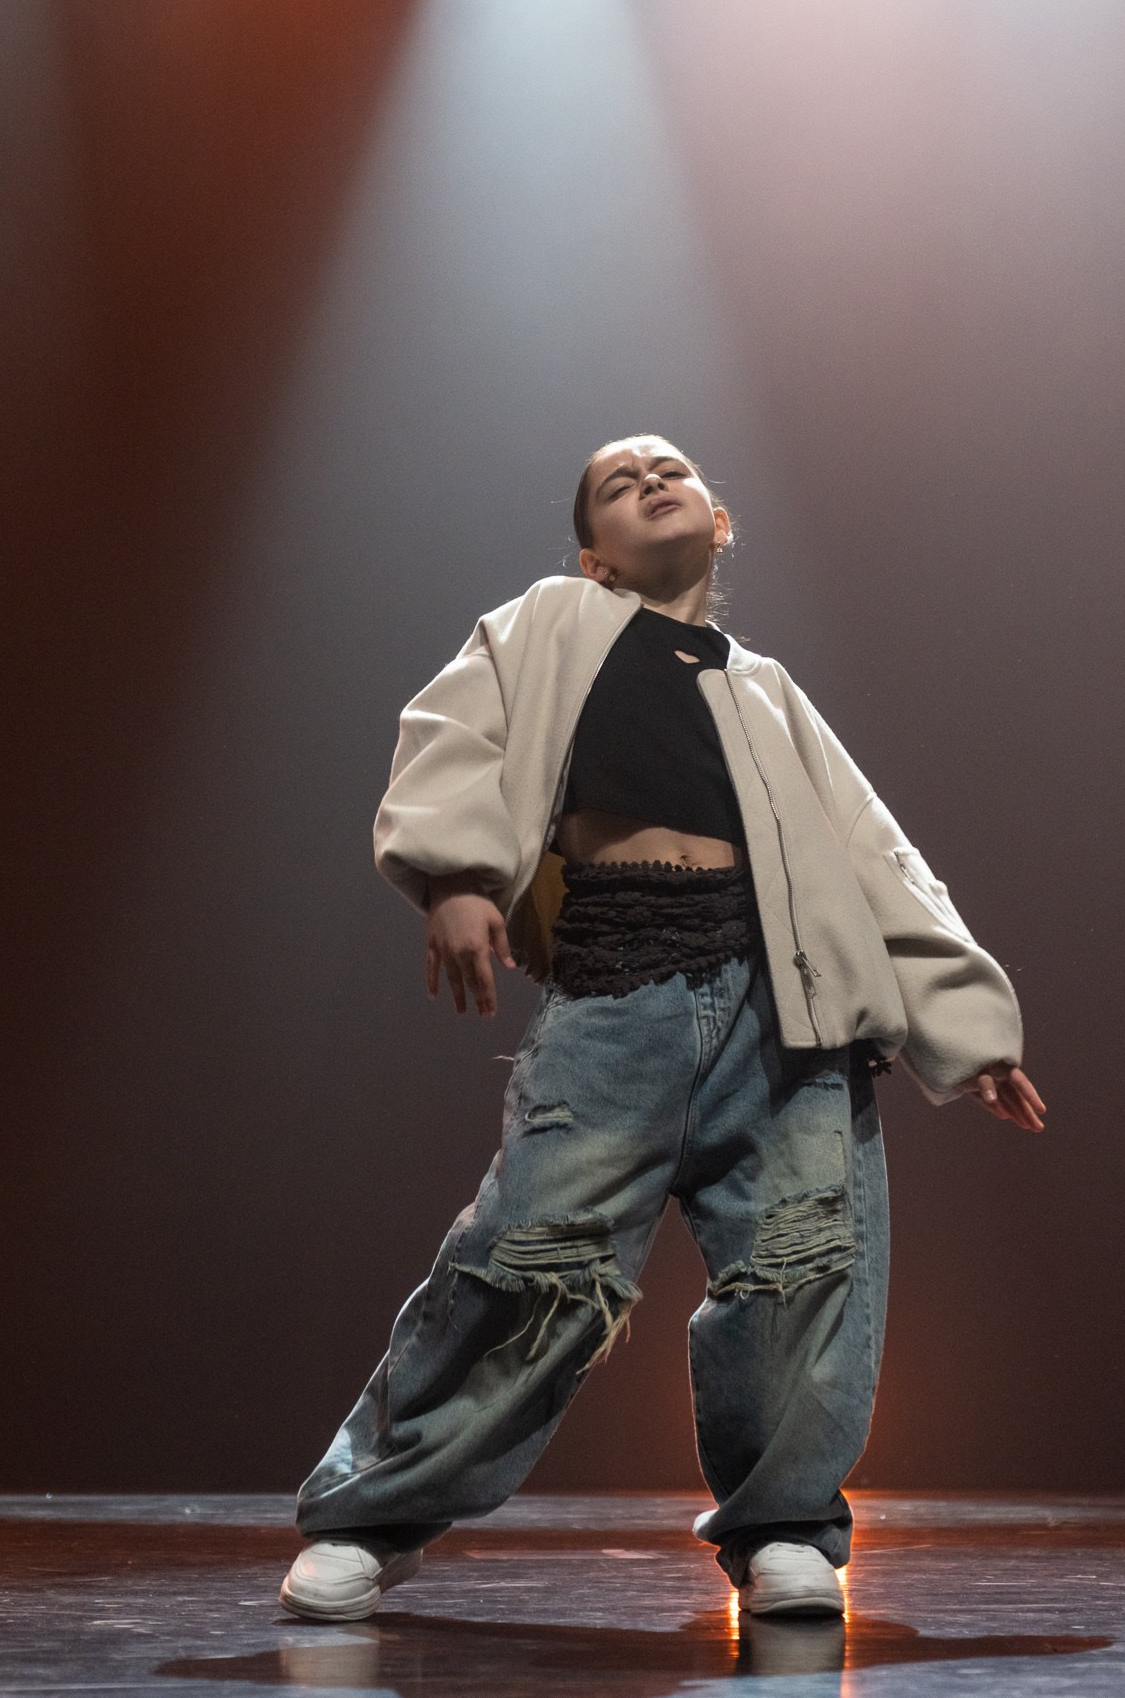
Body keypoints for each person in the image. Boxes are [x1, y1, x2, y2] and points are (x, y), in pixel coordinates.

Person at [280, 434, 1045, 1623]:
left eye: (669, 468)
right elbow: (455, 731)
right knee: (527, 1254)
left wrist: (968, 1026)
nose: (647, 478)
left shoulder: (766, 687)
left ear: (718, 520)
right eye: (615, 482)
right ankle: (370, 1513)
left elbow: (872, 853)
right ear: (592, 555)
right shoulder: (549, 623)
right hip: (619, 986)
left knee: (803, 1262)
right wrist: (457, 875)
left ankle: (784, 1525)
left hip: (785, 1006)